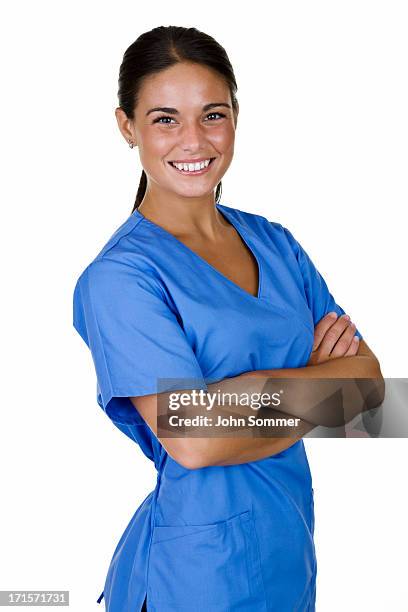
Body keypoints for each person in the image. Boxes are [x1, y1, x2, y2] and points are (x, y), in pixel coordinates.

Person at [72, 26, 382, 612]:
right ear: (126, 127)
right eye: (165, 118)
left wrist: (233, 399)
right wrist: (316, 385)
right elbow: (194, 439)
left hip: (291, 548)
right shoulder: (121, 277)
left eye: (212, 114)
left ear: (236, 116)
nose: (193, 139)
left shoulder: (277, 243)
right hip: (193, 575)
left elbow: (371, 393)